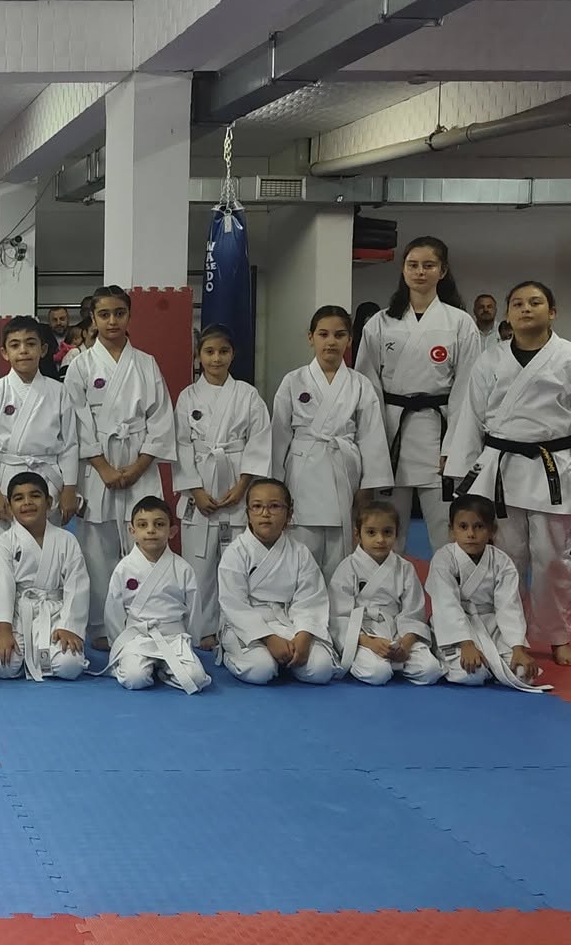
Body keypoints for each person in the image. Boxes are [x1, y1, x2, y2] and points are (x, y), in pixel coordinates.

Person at [446, 280, 571, 667]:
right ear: (508, 314)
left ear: (552, 312)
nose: (526, 309)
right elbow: (471, 416)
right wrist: (462, 471)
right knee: (505, 558)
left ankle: (557, 636)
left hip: (552, 468)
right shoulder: (490, 360)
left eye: (535, 302)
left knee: (553, 558)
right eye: (518, 303)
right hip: (500, 467)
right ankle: (510, 635)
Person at [352, 236, 480, 555]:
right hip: (391, 434)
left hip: (438, 435)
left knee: (445, 531)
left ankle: (448, 589)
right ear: (403, 269)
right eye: (413, 265)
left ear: (442, 271)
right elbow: (366, 388)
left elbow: (467, 390)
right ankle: (384, 588)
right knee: (385, 530)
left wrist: (455, 447)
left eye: (428, 265)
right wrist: (372, 443)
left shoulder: (460, 323)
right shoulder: (380, 323)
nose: (420, 272)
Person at [65, 286, 175, 648]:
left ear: (129, 316)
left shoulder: (145, 363)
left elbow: (160, 418)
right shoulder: (80, 365)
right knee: (96, 548)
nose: (112, 321)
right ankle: (100, 624)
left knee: (145, 540)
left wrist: (138, 467)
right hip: (98, 467)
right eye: (104, 314)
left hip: (138, 461)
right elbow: (76, 422)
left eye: (119, 313)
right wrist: (104, 467)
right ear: (93, 319)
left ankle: (144, 618)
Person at [271, 304, 392, 575]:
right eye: (323, 334)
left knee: (340, 558)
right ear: (310, 337)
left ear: (349, 339)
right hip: (302, 472)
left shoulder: (360, 384)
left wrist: (367, 486)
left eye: (339, 335)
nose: (331, 342)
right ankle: (303, 602)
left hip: (343, 470)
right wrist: (275, 484)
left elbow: (371, 436)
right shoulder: (293, 381)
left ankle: (340, 602)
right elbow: (279, 435)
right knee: (301, 555)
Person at [174, 323, 272, 645]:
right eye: (209, 352)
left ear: (233, 355)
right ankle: (201, 628)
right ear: (198, 356)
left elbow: (259, 442)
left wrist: (243, 487)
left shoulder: (248, 395)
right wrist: (195, 490)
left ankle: (233, 627)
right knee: (198, 565)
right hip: (200, 487)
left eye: (223, 351)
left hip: (236, 484)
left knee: (235, 564)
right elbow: (181, 445)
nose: (216, 358)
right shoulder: (188, 396)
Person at [217, 478, 336, 685]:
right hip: (247, 627)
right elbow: (234, 605)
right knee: (261, 670)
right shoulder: (236, 553)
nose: (265, 513)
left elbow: (310, 600)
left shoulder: (300, 552)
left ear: (289, 514)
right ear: (248, 514)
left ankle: (286, 657)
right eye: (257, 506)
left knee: (321, 669)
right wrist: (269, 638)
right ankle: (231, 654)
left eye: (274, 506)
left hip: (289, 622)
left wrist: (303, 636)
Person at [0, 316, 82, 547]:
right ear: (5, 353)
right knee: (6, 545)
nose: (23, 351)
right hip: (8, 477)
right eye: (15, 345)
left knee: (48, 544)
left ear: (43, 349)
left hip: (47, 478)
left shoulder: (59, 392)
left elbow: (70, 444)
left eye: (30, 343)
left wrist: (69, 488)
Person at [426, 495, 541, 690]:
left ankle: (492, 662)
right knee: (471, 675)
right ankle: (457, 657)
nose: (471, 534)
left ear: (492, 530)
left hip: (492, 625)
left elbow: (509, 606)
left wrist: (517, 647)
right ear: (451, 530)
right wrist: (466, 644)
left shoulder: (501, 562)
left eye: (479, 526)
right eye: (463, 527)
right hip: (454, 628)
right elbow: (446, 604)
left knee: (524, 674)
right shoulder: (443, 559)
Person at [0, 472, 89, 682]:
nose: (27, 503)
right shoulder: (4, 542)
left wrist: (69, 626)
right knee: (2, 665)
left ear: (49, 502)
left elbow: (76, 585)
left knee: (70, 665)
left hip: (54, 613)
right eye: (19, 498)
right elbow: (1, 588)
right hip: (16, 614)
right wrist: (4, 632)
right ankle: (30, 655)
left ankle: (39, 655)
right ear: (9, 506)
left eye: (35, 496)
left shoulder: (66, 540)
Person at [329, 500, 443, 686]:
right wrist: (369, 642)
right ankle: (380, 662)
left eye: (387, 532)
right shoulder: (347, 567)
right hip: (362, 634)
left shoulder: (405, 568)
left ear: (397, 534)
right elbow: (339, 616)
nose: (380, 539)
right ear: (357, 534)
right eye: (371, 532)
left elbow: (413, 612)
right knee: (378, 673)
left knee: (431, 670)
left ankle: (396, 659)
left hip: (399, 632)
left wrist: (405, 644)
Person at [103, 496, 208, 694]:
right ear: (132, 531)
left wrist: (192, 640)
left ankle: (164, 669)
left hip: (174, 637)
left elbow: (194, 608)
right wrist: (118, 641)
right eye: (143, 525)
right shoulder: (124, 568)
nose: (151, 530)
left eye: (159, 524)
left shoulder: (183, 568)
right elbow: (113, 610)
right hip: (138, 637)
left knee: (195, 679)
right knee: (135, 679)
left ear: (172, 531)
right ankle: (155, 667)